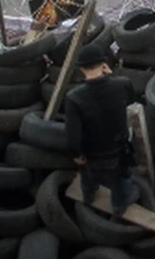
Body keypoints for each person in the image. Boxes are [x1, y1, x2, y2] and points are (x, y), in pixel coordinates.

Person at [64, 44, 140, 216]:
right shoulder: (123, 84)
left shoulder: (73, 98)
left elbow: (72, 136)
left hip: (92, 153)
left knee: (88, 178)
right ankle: (119, 207)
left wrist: (76, 155)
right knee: (120, 182)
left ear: (81, 68)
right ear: (103, 64)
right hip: (118, 150)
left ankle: (89, 196)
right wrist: (111, 77)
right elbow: (130, 103)